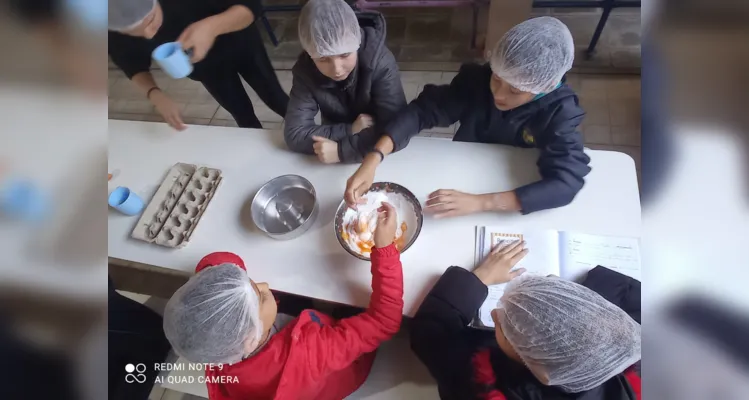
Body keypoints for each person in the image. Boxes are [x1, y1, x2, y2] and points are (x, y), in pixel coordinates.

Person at [344, 17, 591, 216]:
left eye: (514, 90)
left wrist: (482, 203)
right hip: (462, 171)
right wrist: (373, 158)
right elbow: (422, 111)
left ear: (544, 86)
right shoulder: (477, 81)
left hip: (508, 192)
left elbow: (566, 183)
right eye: (497, 78)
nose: (499, 94)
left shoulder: (560, 112)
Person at [162, 203, 404, 399]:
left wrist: (221, 286)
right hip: (340, 371)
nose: (265, 285)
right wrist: (384, 250)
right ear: (249, 339)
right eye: (262, 296)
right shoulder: (312, 351)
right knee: (349, 302)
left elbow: (214, 261)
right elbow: (384, 321)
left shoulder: (213, 347)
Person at [410, 240, 641, 399]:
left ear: (542, 373)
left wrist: (479, 277)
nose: (494, 314)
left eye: (508, 329)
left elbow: (429, 334)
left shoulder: (477, 383)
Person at [108, 0, 289, 130]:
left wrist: (211, 27)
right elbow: (130, 62)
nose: (148, 36)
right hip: (206, 70)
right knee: (242, 115)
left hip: (242, 45)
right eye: (134, 33)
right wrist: (154, 94)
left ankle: (307, 137)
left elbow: (251, 7)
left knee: (276, 98)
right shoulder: (110, 14)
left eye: (150, 20)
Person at [284, 0, 406, 164]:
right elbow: (295, 133)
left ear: (357, 43)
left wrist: (342, 151)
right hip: (333, 144)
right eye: (323, 59)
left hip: (376, 152)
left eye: (345, 55)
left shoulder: (379, 61)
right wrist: (351, 130)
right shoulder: (305, 70)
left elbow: (398, 127)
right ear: (310, 53)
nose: (337, 69)